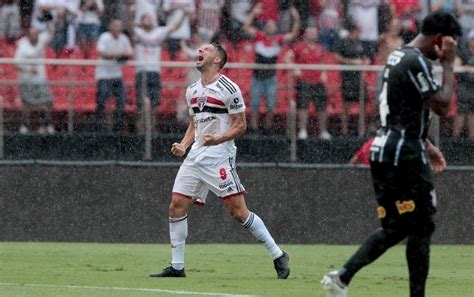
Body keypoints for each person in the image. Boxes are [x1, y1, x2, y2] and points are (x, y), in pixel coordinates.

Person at [321, 11, 462, 297]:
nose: (451, 50)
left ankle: (342, 277)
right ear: (440, 40)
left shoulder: (399, 56)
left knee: (400, 226)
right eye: (451, 44)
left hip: (389, 146)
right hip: (402, 152)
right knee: (422, 224)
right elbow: (443, 105)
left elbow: (405, 107)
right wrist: (448, 65)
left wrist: (426, 143)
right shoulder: (415, 61)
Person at [149, 43, 290, 279]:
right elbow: (195, 124)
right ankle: (177, 266)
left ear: (217, 60)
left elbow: (240, 125)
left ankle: (278, 254)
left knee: (238, 212)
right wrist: (184, 145)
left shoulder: (229, 88)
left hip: (219, 156)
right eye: (199, 49)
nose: (199, 51)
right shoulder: (192, 89)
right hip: (196, 156)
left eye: (205, 49)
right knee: (176, 206)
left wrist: (219, 139)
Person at [243, 3, 300, 134]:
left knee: (271, 105)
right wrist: (253, 13)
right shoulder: (259, 36)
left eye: (272, 25)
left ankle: (268, 129)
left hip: (270, 77)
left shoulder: (278, 39)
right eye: (268, 25)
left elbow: (293, 34)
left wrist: (296, 19)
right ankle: (254, 129)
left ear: (275, 28)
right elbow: (246, 27)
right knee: (255, 105)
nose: (270, 26)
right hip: (257, 77)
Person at [134, 11, 187, 133]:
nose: (148, 20)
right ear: (141, 22)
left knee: (154, 103)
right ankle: (140, 130)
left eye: (149, 18)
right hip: (141, 71)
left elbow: (174, 27)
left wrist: (183, 15)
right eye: (145, 18)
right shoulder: (138, 32)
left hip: (154, 71)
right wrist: (132, 11)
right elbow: (130, 26)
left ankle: (152, 129)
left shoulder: (159, 32)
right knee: (141, 104)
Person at [285, 26, 331, 140]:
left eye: (314, 33)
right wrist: (295, 67)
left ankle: (323, 131)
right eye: (310, 32)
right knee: (303, 106)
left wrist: (323, 72)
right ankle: (303, 130)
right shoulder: (299, 47)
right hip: (304, 81)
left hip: (317, 81)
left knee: (322, 107)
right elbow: (287, 58)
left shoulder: (320, 48)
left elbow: (322, 62)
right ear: (305, 34)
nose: (312, 35)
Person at [15, 24, 56, 135]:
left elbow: (51, 32)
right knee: (26, 104)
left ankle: (46, 124)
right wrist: (29, 69)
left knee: (48, 102)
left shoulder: (41, 40)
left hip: (41, 80)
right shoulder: (22, 45)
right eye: (32, 34)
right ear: (28, 35)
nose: (34, 36)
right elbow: (16, 64)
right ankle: (25, 125)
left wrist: (49, 19)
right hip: (26, 80)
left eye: (36, 34)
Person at [95, 19, 133, 133]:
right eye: (115, 25)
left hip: (116, 74)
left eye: (119, 26)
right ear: (110, 27)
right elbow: (101, 53)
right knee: (101, 101)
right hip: (104, 75)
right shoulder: (104, 37)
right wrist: (118, 54)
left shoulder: (124, 38)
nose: (117, 28)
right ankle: (98, 127)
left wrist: (117, 55)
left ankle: (118, 128)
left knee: (121, 101)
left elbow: (130, 53)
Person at [334, 21, 370, 136]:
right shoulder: (344, 42)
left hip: (359, 77)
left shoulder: (360, 43)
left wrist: (365, 62)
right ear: (354, 30)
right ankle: (344, 131)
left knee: (363, 102)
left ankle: (362, 130)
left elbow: (366, 57)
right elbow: (337, 57)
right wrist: (351, 62)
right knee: (347, 104)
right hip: (348, 77)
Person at [453, 30, 474, 140]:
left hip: (473, 88)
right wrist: (466, 69)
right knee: (461, 114)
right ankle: (455, 141)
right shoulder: (463, 52)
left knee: (472, 115)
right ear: (469, 40)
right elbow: (456, 67)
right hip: (464, 87)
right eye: (473, 39)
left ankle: (472, 143)